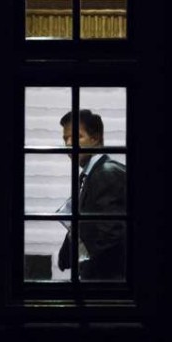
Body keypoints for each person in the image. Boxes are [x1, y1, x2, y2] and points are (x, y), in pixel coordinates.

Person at [57, 109, 127, 281]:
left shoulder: (106, 172)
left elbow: (110, 234)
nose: (68, 144)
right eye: (65, 138)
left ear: (95, 138)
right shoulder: (94, 173)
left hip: (107, 281)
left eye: (76, 136)